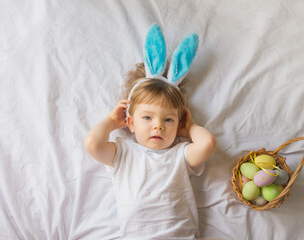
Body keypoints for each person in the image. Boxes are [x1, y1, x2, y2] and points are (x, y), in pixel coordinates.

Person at [84, 24, 216, 239]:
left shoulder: (180, 155)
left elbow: (207, 144)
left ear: (178, 123)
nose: (158, 126)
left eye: (168, 119)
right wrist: (110, 121)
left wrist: (190, 127)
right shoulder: (123, 152)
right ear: (131, 123)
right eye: (147, 117)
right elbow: (93, 144)